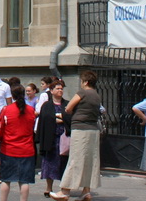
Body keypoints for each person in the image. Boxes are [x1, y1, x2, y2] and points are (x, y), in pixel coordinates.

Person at [50, 71, 102, 201]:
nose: (81, 84)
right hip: (93, 130)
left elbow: (68, 108)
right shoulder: (97, 95)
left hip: (80, 129)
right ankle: (86, 191)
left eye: (82, 81)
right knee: (90, 161)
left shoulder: (82, 93)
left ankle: (65, 191)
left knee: (75, 159)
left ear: (86, 82)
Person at [0, 84, 37, 201]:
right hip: (27, 149)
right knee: (24, 181)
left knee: (6, 180)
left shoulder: (7, 110)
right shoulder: (31, 110)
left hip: (9, 149)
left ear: (12, 96)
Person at [36, 79, 70, 198]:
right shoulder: (47, 105)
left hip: (64, 138)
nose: (60, 90)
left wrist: (62, 119)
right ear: (51, 91)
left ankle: (63, 188)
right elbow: (43, 120)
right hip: (50, 139)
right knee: (49, 163)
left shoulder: (67, 104)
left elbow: (70, 118)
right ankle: (49, 187)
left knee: (64, 164)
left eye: (61, 89)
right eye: (57, 88)